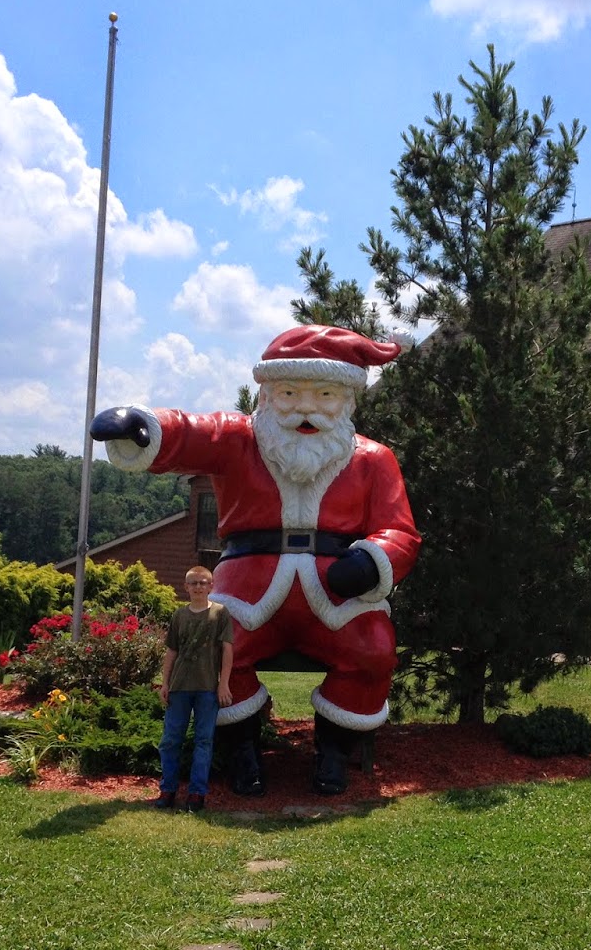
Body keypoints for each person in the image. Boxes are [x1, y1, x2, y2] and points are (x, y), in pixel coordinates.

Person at [91, 324, 421, 797]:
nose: (306, 408)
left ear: (347, 399)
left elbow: (401, 531)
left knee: (371, 650)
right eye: (289, 393)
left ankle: (333, 753)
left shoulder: (374, 460)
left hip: (336, 593)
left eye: (324, 394)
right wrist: (143, 427)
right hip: (248, 587)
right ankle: (242, 751)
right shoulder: (239, 441)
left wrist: (375, 560)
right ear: (266, 395)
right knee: (212, 647)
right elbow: (188, 432)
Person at [155, 566, 234, 812]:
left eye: (203, 583)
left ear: (211, 586)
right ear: (186, 587)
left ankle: (197, 794)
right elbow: (171, 652)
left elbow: (227, 650)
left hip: (207, 688)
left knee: (203, 741)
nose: (198, 587)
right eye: (194, 583)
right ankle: (168, 790)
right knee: (170, 741)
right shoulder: (179, 615)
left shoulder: (220, 613)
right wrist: (164, 682)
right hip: (179, 687)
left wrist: (223, 683)